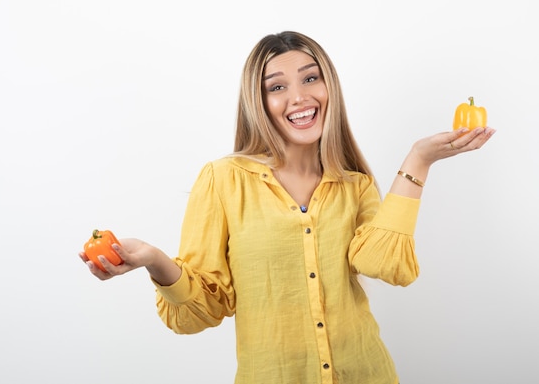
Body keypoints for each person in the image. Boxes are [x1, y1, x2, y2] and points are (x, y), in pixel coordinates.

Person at [79, 31, 495, 384]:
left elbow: (387, 266)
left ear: (329, 87)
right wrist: (154, 259)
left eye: (310, 78)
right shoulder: (223, 179)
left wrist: (417, 161)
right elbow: (200, 311)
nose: (299, 97)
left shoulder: (355, 184)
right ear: (257, 102)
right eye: (277, 86)